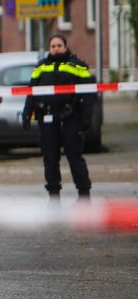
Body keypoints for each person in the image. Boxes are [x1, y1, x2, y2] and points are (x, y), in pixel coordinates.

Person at [21, 34, 94, 200]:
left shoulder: (77, 65)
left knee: (74, 156)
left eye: (59, 45)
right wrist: (27, 112)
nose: (56, 49)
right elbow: (31, 90)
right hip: (47, 116)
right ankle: (53, 196)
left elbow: (89, 93)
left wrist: (86, 117)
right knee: (50, 157)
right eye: (53, 46)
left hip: (71, 116)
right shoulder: (41, 66)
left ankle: (84, 194)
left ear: (65, 47)